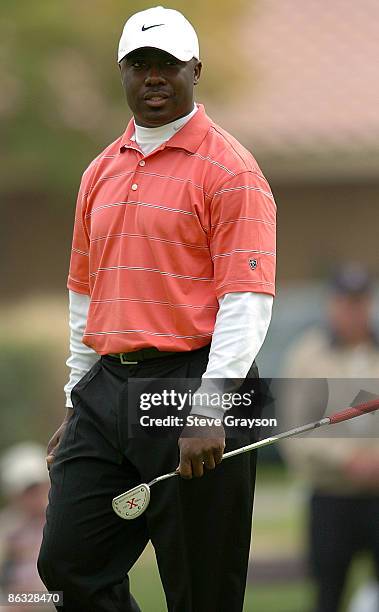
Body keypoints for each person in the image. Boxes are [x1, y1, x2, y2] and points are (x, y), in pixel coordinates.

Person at [38, 7, 276, 611]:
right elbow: (84, 294)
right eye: (140, 65)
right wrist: (76, 397)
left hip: (192, 381)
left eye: (167, 65)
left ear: (195, 70)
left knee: (200, 586)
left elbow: (245, 302)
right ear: (122, 73)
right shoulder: (99, 172)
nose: (153, 78)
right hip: (108, 384)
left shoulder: (231, 170)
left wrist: (214, 404)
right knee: (69, 563)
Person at [278, 264, 379, 612]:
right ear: (331, 305)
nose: (353, 311)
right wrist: (347, 459)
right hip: (330, 497)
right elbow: (295, 431)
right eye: (345, 302)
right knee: (328, 595)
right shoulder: (307, 356)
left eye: (360, 302)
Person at [0, 443, 54, 612]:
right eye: (28, 491)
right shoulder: (9, 525)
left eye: (38, 488)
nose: (34, 497)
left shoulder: (58, 522)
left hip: (54, 598)